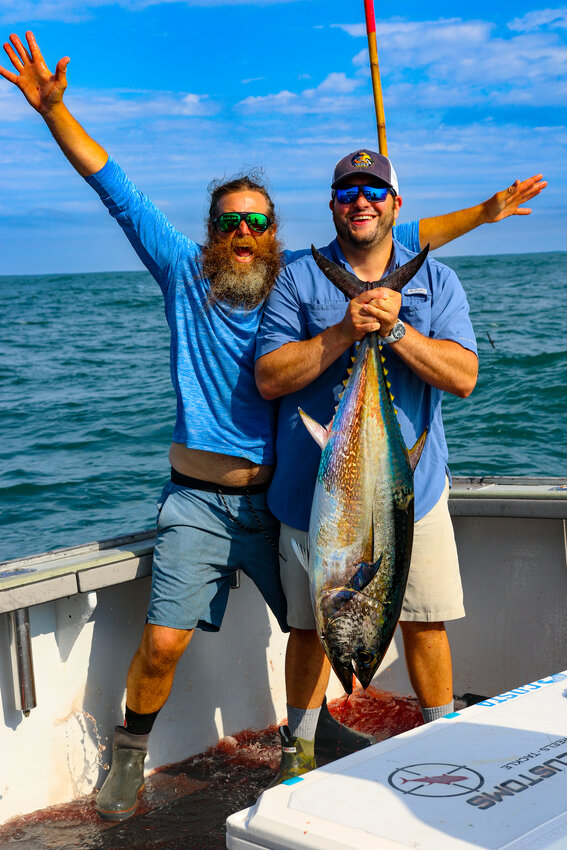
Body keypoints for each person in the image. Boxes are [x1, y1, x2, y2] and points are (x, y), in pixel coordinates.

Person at [0, 31, 545, 817]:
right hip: (235, 497)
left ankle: (343, 736)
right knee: (199, 639)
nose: (244, 234)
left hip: (309, 493)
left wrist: (481, 220)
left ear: (276, 230)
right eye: (230, 224)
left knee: (326, 627)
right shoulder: (214, 274)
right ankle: (156, 754)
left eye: (256, 222)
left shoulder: (323, 277)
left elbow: (409, 245)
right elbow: (115, 189)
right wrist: (57, 114)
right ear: (214, 231)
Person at [255, 148, 480, 785]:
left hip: (412, 492)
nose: (362, 201)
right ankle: (296, 749)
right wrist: (347, 332)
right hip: (313, 495)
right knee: (307, 629)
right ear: (332, 204)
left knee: (425, 618)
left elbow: (464, 377)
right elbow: (270, 378)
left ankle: (440, 736)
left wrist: (400, 332)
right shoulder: (298, 279)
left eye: (374, 192)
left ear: (395, 205)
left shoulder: (438, 281)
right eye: (349, 191)